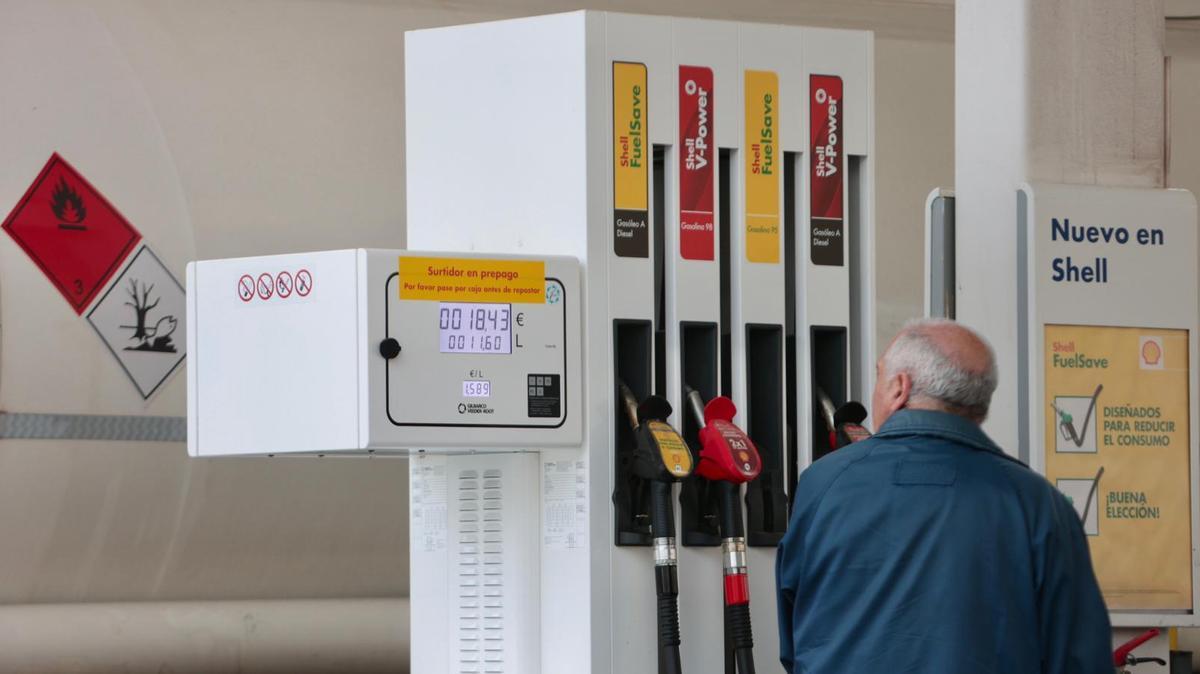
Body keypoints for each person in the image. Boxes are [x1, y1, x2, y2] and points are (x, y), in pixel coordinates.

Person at [776, 318, 1111, 673]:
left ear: (898, 388)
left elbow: (795, 636)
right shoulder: (1039, 505)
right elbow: (1079, 658)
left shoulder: (825, 482)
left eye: (879, 376)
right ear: (980, 405)